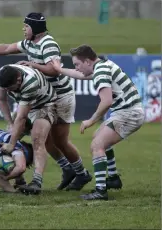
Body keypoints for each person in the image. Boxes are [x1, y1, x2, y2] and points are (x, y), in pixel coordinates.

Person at [0, 12, 91, 191]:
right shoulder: (30, 43)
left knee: (60, 141)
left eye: (26, 26)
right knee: (43, 138)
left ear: (36, 29)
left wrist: (33, 65)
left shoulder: (48, 44)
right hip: (43, 94)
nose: (23, 29)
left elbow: (55, 70)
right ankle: (67, 169)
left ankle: (81, 173)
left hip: (61, 95)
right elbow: (7, 48)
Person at [51, 44, 144, 200]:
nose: (77, 68)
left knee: (97, 145)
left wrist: (90, 120)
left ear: (87, 61)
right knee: (98, 138)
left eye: (77, 64)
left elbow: (106, 101)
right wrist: (60, 70)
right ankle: (113, 178)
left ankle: (100, 191)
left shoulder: (100, 71)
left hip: (129, 114)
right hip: (128, 111)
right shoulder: (102, 65)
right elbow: (80, 75)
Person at [0, 64, 56, 195]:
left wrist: (12, 144)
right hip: (25, 104)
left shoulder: (30, 83)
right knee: (9, 136)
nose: (10, 91)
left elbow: (21, 117)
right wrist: (10, 123)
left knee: (37, 139)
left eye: (11, 88)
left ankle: (36, 182)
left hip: (44, 105)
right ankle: (19, 180)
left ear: (18, 79)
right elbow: (1, 100)